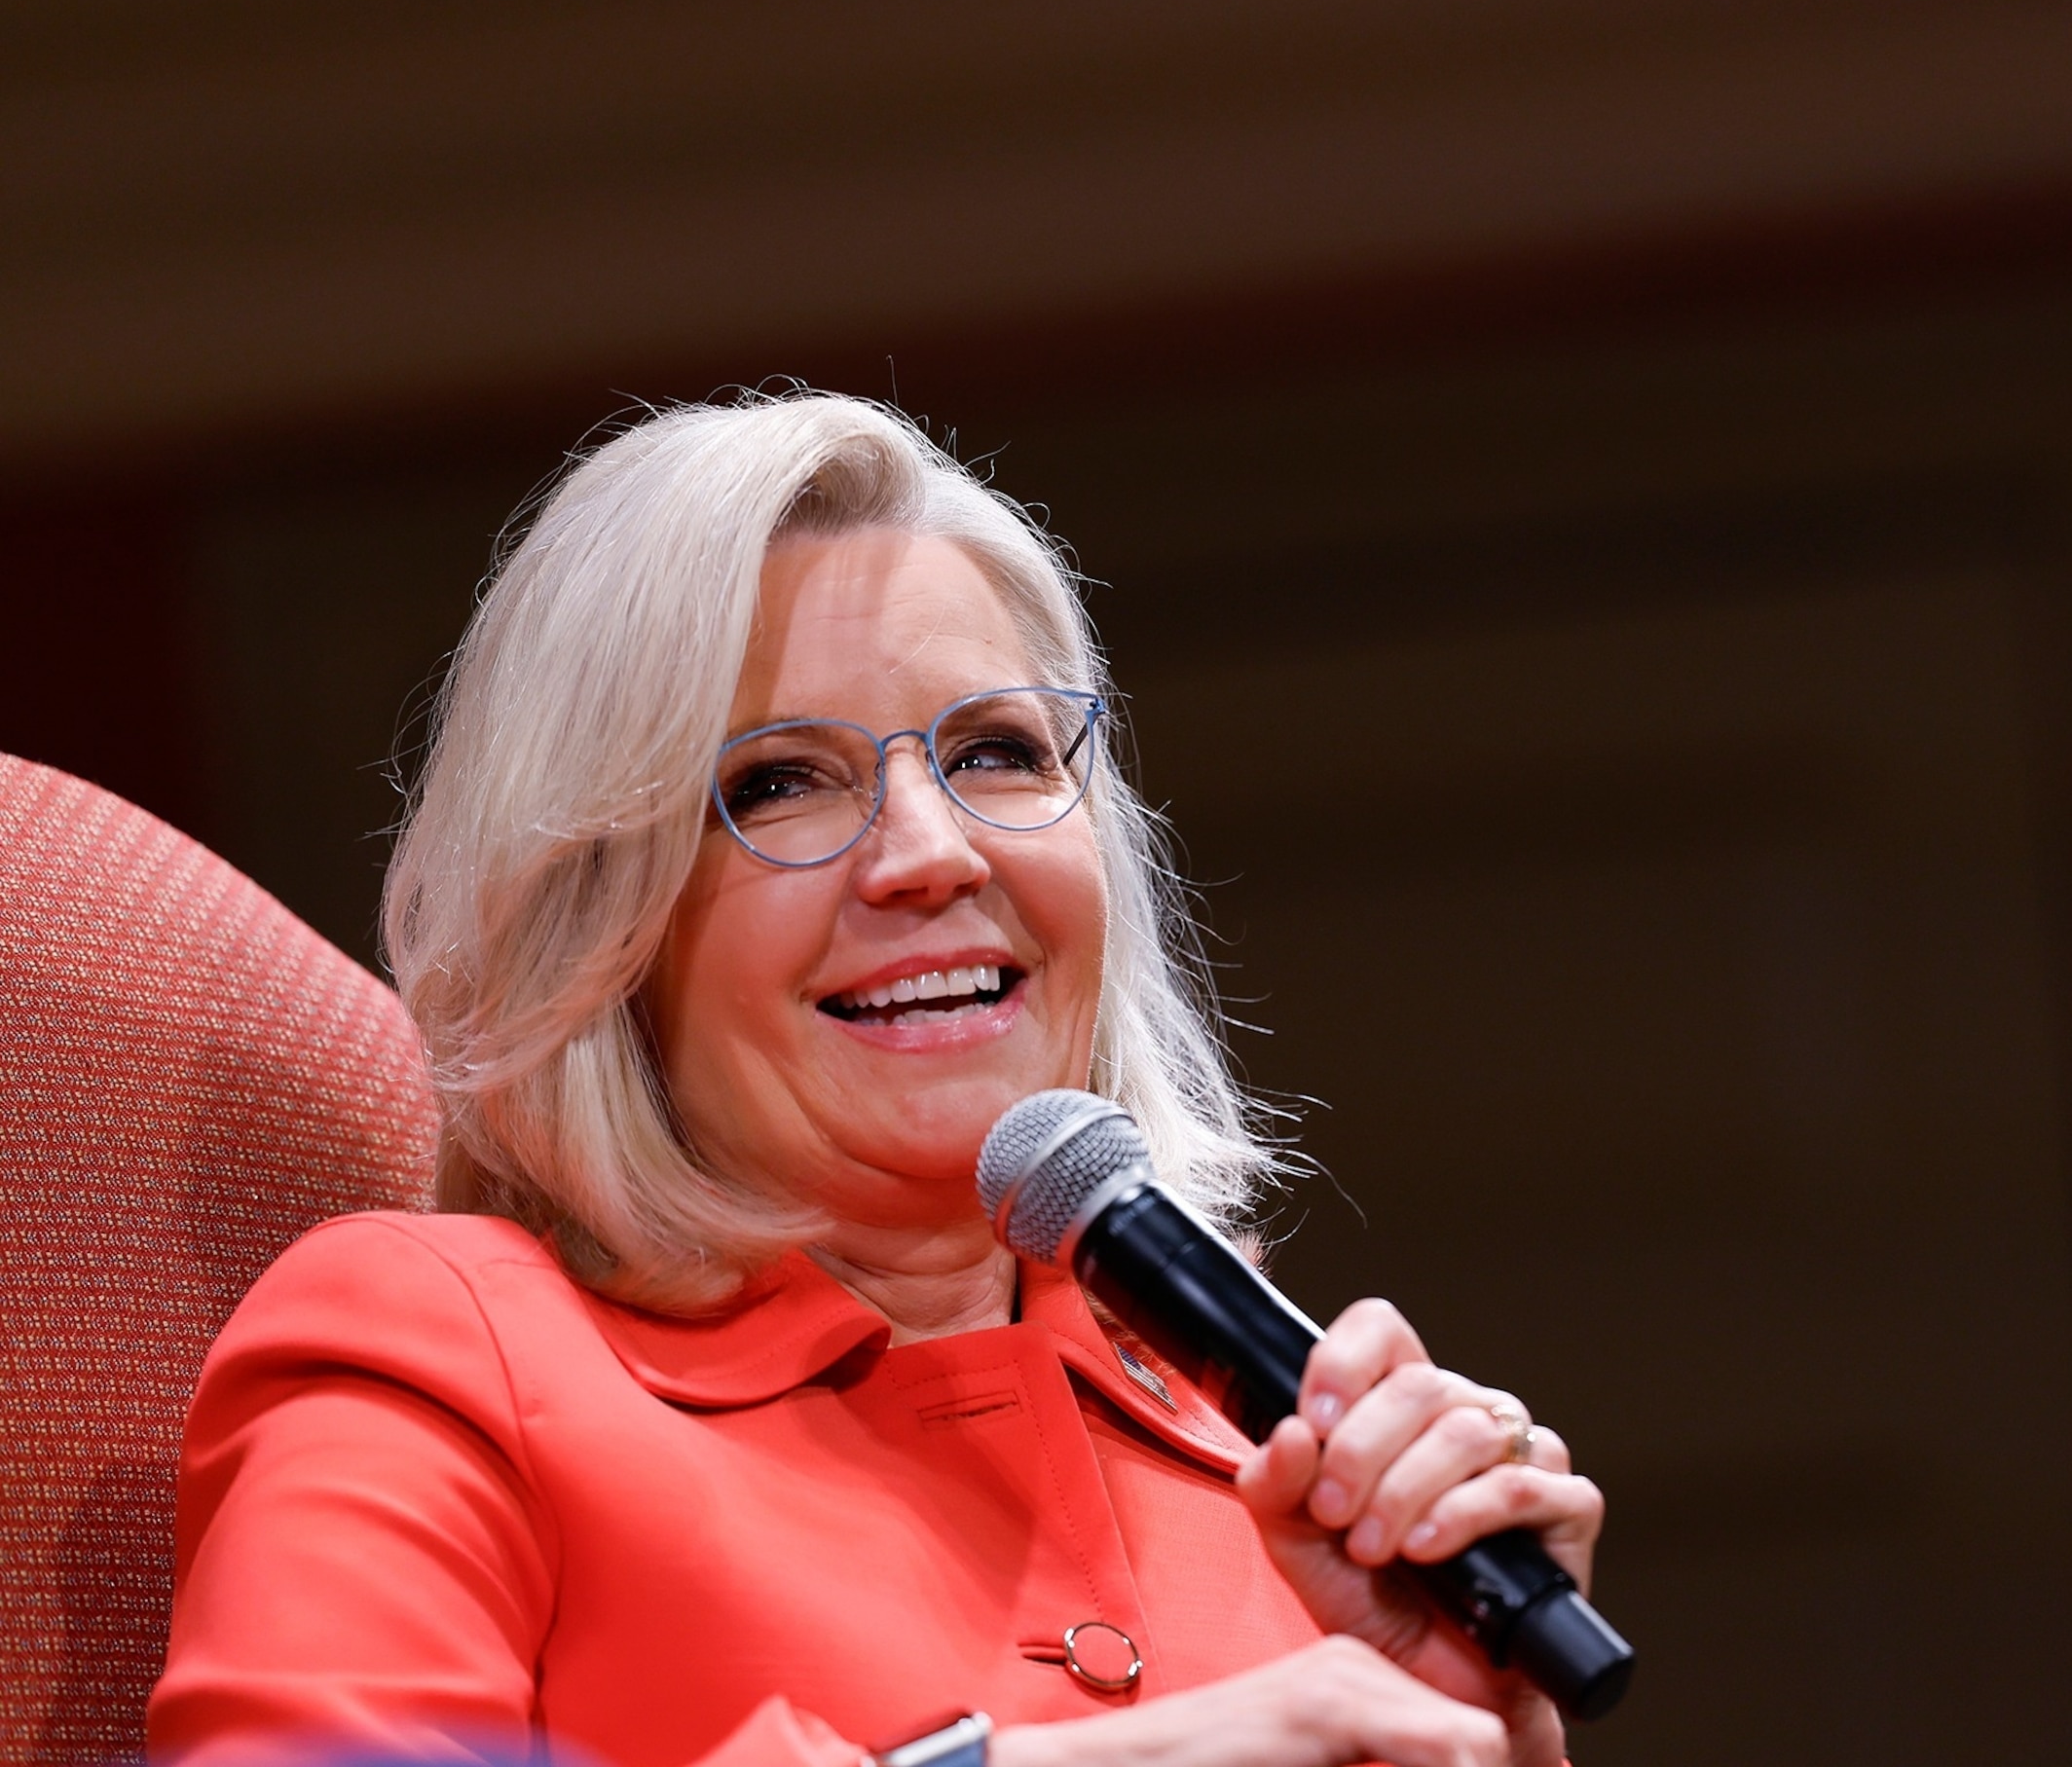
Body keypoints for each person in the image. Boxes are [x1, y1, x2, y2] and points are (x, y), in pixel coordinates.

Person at [149, 395, 1604, 1767]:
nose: (931, 852)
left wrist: (1475, 1728)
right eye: (778, 781)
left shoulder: (1279, 1441)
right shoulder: (448, 1350)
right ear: (601, 918)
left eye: (997, 752)